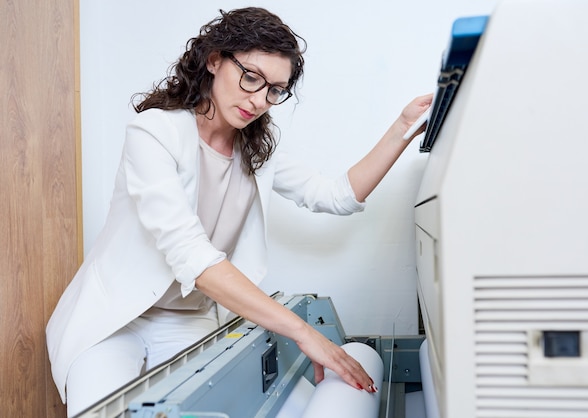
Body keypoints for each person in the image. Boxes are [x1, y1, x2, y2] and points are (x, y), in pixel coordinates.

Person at [46, 7, 432, 417]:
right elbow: (192, 255)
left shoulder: (256, 152)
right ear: (214, 60)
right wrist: (304, 333)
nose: (259, 99)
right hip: (117, 320)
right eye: (251, 77)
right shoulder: (154, 134)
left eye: (275, 89)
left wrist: (402, 127)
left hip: (188, 321)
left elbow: (335, 195)